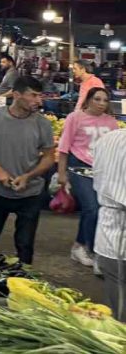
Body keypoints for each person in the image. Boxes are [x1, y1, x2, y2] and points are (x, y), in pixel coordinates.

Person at [0, 76, 56, 264]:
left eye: (39, 96)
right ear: (17, 95)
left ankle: (24, 283)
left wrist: (28, 176)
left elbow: (49, 156)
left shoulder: (43, 124)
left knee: (25, 246)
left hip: (31, 194)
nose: (38, 101)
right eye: (33, 95)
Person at [57, 86, 120, 272]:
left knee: (100, 210)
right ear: (88, 100)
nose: (101, 104)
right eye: (97, 99)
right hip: (79, 167)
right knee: (91, 208)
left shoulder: (111, 123)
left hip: (102, 170)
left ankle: (81, 247)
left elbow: (116, 149)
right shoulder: (74, 118)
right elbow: (63, 148)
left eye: (105, 100)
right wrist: (62, 174)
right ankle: (87, 249)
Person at [92, 126, 126, 319]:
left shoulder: (106, 139)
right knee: (122, 313)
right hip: (119, 235)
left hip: (107, 228)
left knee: (117, 299)